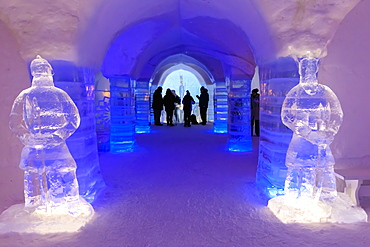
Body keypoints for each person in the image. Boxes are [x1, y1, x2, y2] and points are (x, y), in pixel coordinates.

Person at [9, 55, 81, 212]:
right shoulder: (25, 96)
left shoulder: (60, 95)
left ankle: (68, 205)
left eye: (44, 69)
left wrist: (57, 136)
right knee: (34, 178)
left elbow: (73, 119)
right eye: (38, 70)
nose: (42, 73)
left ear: (50, 71)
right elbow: (14, 122)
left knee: (66, 171)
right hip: (35, 148)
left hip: (56, 145)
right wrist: (29, 138)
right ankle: (36, 208)